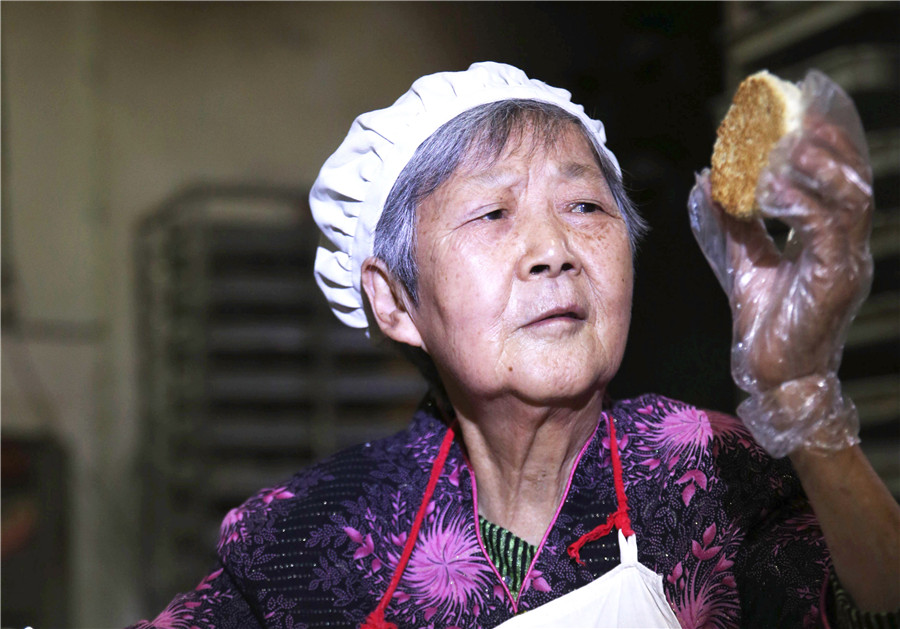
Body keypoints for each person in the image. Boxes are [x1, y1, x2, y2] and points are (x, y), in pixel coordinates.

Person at [130, 62, 899, 628]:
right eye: (493, 214)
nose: (553, 248)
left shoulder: (706, 470)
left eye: (584, 204)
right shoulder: (306, 537)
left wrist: (801, 393)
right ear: (395, 300)